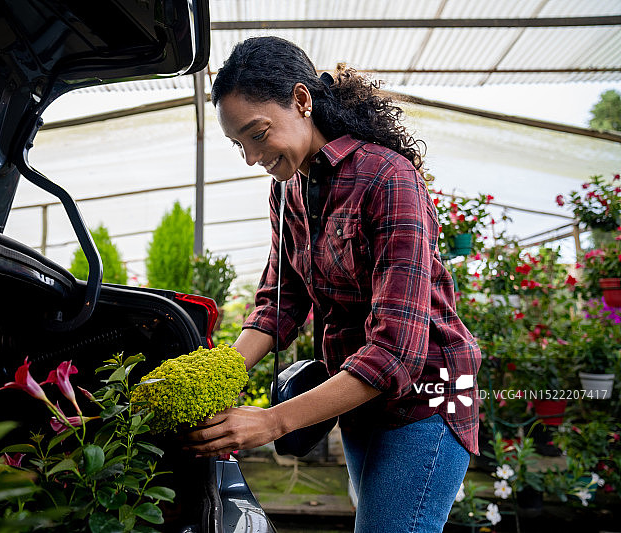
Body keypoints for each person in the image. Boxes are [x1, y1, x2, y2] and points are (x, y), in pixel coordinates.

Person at [184, 36, 481, 532]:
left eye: (258, 134)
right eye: (239, 144)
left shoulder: (388, 178)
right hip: (360, 397)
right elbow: (280, 303)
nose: (251, 157)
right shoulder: (289, 190)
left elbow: (395, 353)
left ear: (302, 101)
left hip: (428, 398)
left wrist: (270, 421)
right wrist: (212, 379)